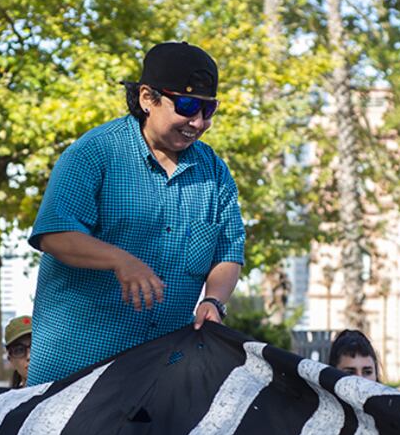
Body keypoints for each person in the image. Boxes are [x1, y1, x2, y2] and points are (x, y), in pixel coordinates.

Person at [26, 41, 245, 385]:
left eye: (209, 109)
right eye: (187, 105)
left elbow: (228, 252)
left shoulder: (215, 172)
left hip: (163, 372)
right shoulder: (93, 152)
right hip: (76, 371)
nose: (198, 122)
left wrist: (215, 302)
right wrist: (120, 260)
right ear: (147, 98)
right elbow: (54, 234)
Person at [3, 315, 32, 388]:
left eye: (35, 346)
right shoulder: (7, 399)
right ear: (10, 359)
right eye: (19, 350)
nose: (29, 356)